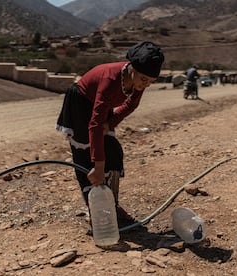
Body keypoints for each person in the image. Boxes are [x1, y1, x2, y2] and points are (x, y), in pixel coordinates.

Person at [56, 41, 165, 227]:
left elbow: (131, 104)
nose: (145, 85)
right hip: (81, 105)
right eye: (143, 79)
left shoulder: (138, 83)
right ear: (132, 68)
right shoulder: (110, 80)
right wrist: (98, 166)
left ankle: (112, 205)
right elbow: (95, 124)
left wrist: (111, 122)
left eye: (150, 82)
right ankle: (96, 212)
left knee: (112, 152)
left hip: (101, 110)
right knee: (85, 160)